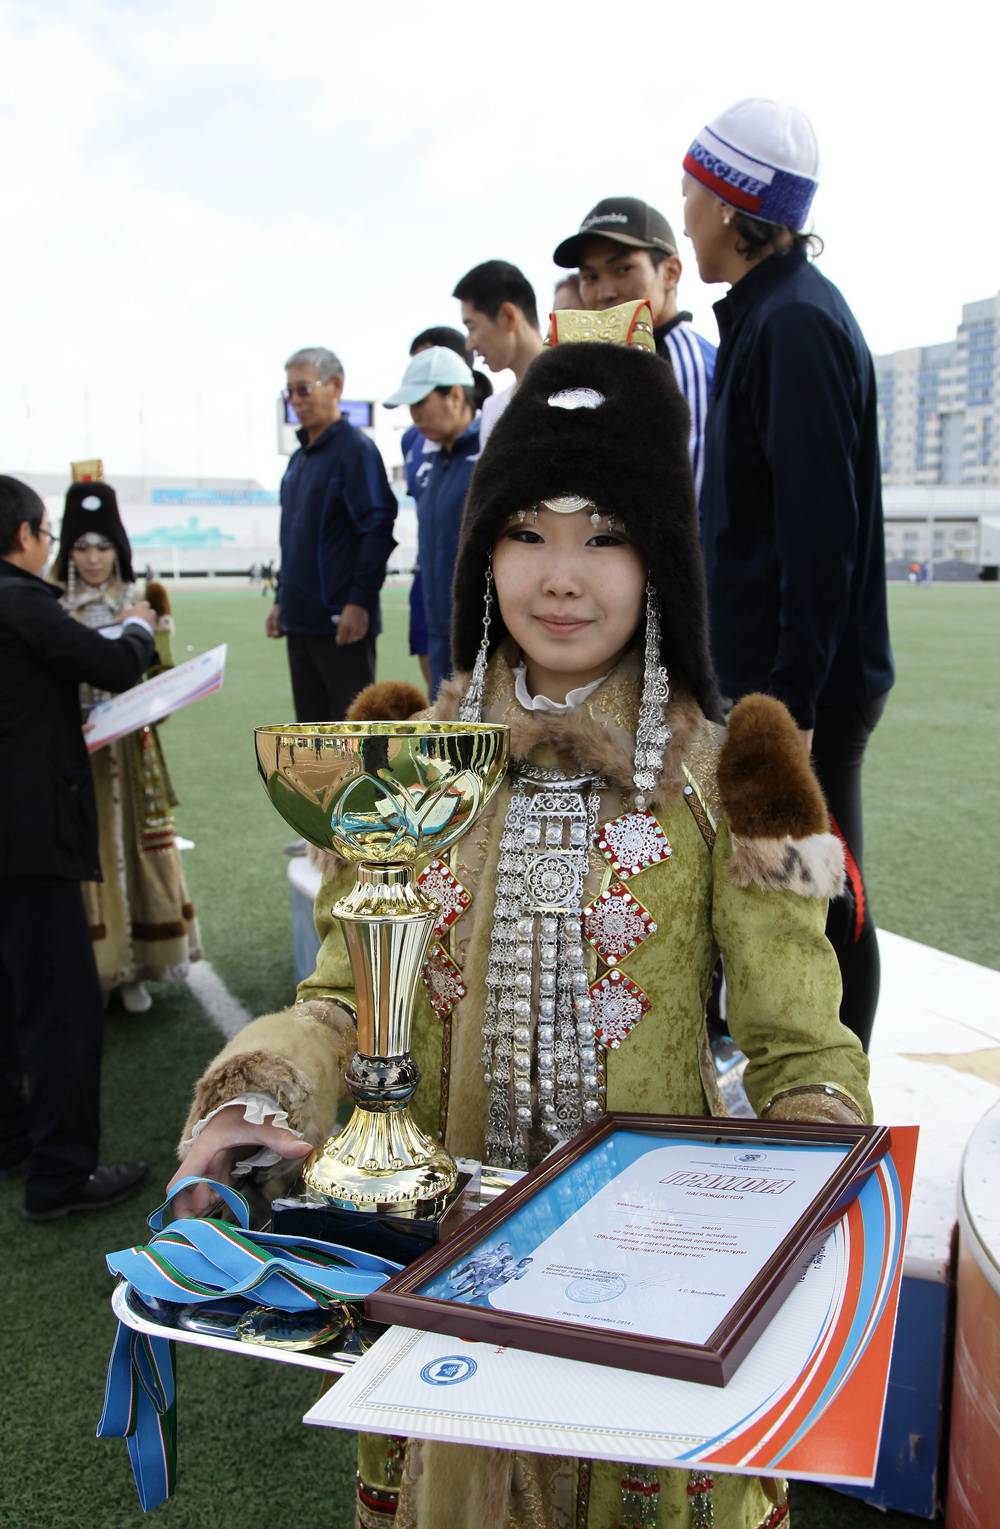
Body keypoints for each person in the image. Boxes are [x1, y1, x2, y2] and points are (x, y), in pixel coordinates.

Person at [172, 327, 870, 1527]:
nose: (561, 576)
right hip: (441, 1275)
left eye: (605, 535)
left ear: (661, 558)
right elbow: (342, 996)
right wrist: (262, 1089)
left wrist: (803, 1184)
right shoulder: (401, 756)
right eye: (527, 532)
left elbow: (801, 1049)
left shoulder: (734, 769)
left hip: (654, 1289)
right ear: (481, 551)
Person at [681, 98, 895, 1051]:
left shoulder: (795, 323)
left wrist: (795, 701)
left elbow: (819, 533)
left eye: (692, 192)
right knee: (786, 883)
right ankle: (803, 1067)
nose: (685, 214)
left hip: (803, 689)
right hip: (778, 680)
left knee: (820, 886)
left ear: (733, 206)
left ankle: (838, 1085)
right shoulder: (771, 313)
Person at [0, 476, 153, 1221]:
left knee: (6, 996)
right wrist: (138, 628)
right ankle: (60, 1174)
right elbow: (115, 665)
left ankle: (10, 1141)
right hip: (31, 835)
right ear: (26, 536)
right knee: (60, 1006)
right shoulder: (21, 601)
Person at [54, 480, 201, 1013]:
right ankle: (99, 966)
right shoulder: (54, 605)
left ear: (119, 549)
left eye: (103, 546)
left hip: (134, 753)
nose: (93, 559)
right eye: (82, 547)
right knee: (88, 852)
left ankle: (139, 966)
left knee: (140, 849)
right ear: (68, 552)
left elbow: (161, 680)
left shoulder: (143, 602)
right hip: (78, 754)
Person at [553, 197, 717, 497]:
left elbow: (692, 500)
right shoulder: (589, 372)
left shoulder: (688, 363)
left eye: (623, 269)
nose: (605, 292)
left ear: (670, 272)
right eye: (590, 277)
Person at [268, 346, 398, 722]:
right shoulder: (298, 460)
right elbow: (292, 542)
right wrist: (280, 600)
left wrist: (359, 602)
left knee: (351, 738)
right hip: (299, 622)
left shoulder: (356, 451)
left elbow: (377, 528)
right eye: (289, 392)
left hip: (342, 625)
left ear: (336, 386)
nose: (295, 400)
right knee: (310, 737)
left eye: (303, 389)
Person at [384, 345, 479, 696]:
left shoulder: (491, 448)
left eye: (420, 402)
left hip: (483, 631)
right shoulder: (431, 461)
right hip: (439, 624)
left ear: (454, 395)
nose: (414, 415)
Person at [452, 260, 544, 448]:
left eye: (472, 327)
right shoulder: (493, 410)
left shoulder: (578, 391)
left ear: (508, 316)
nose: (469, 344)